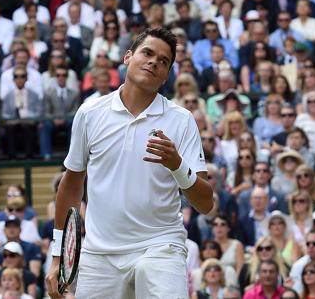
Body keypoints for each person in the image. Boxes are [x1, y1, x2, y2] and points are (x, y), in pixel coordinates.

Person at [45, 28, 214, 299]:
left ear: (167, 74)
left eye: (163, 61)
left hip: (161, 247)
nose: (154, 62)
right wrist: (57, 258)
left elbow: (206, 202)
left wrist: (178, 165)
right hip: (100, 254)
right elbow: (72, 184)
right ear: (127, 57)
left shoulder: (181, 120)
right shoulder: (89, 113)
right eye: (147, 53)